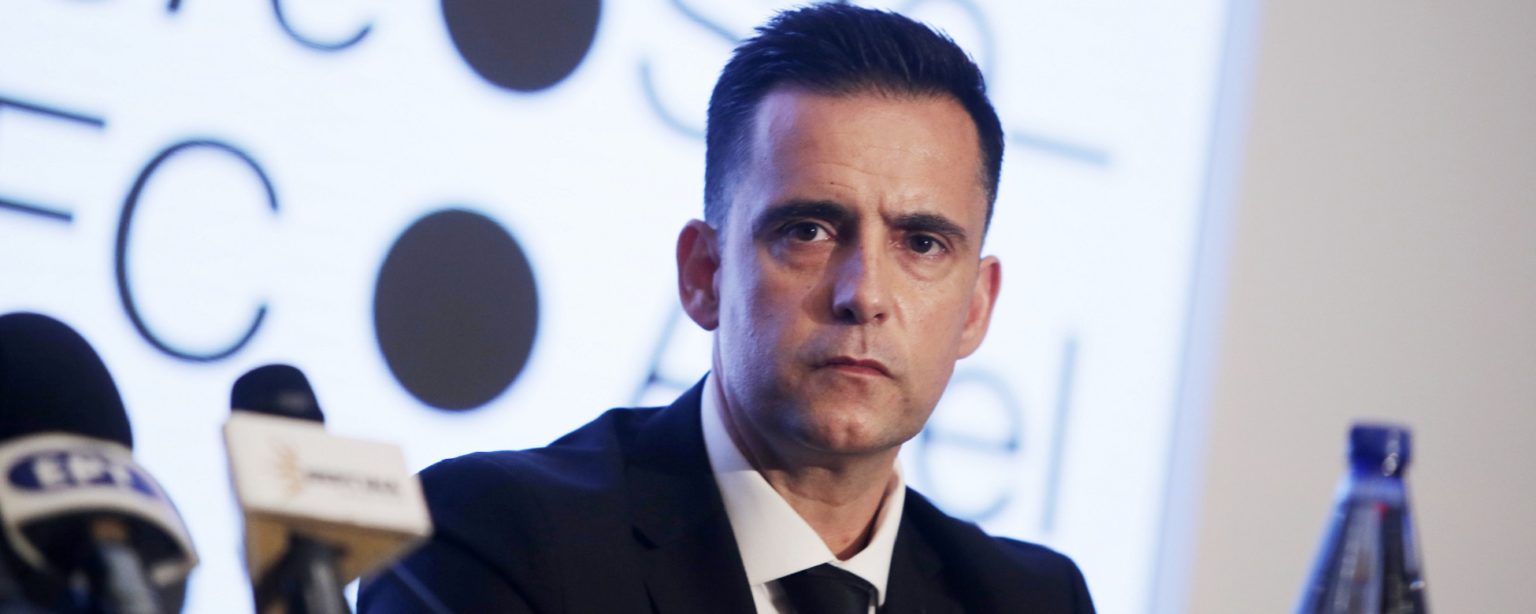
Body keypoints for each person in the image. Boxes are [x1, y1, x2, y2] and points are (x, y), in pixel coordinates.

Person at [359, 4, 1094, 613]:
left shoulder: (1030, 599)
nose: (865, 294)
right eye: (808, 231)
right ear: (704, 273)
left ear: (976, 307)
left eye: (923, 244)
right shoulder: (490, 538)